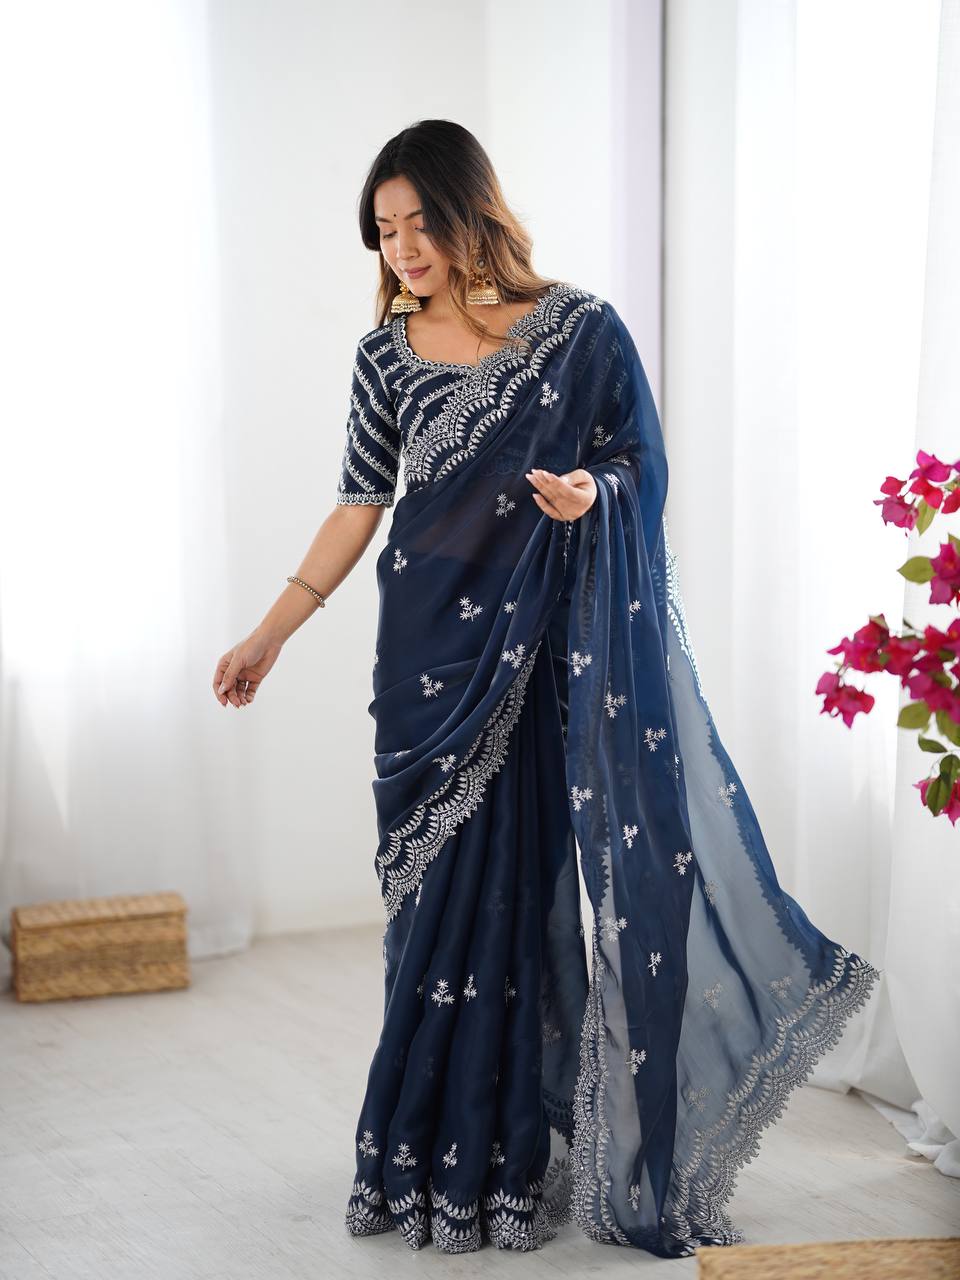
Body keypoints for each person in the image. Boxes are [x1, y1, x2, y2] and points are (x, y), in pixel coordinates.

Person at [212, 119, 880, 1259]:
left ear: (470, 209)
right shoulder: (384, 357)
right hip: (426, 663)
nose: (402, 247)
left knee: (525, 895)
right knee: (429, 906)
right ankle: (433, 1150)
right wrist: (271, 631)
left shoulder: (579, 331)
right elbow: (360, 504)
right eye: (384, 230)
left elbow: (640, 468)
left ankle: (516, 1151)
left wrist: (590, 492)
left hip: (539, 656)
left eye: (418, 221)